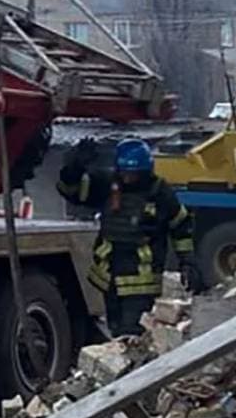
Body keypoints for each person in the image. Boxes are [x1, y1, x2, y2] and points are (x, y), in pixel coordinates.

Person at [58, 138, 200, 336]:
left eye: (133, 174)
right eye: (124, 173)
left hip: (141, 282)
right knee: (115, 333)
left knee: (132, 334)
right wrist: (74, 168)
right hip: (109, 278)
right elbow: (71, 191)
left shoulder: (159, 192)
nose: (128, 178)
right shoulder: (108, 185)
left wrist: (188, 261)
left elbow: (181, 226)